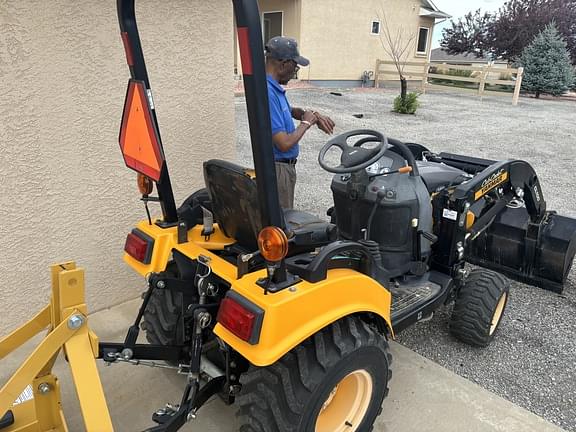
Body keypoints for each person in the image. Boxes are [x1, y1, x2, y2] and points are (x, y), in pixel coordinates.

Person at [265, 36, 335, 209]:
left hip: (282, 169)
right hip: (278, 170)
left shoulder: (272, 88)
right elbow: (284, 143)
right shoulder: (268, 92)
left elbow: (285, 112)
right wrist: (306, 123)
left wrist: (306, 114)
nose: (295, 71)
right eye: (295, 66)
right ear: (283, 64)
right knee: (282, 224)